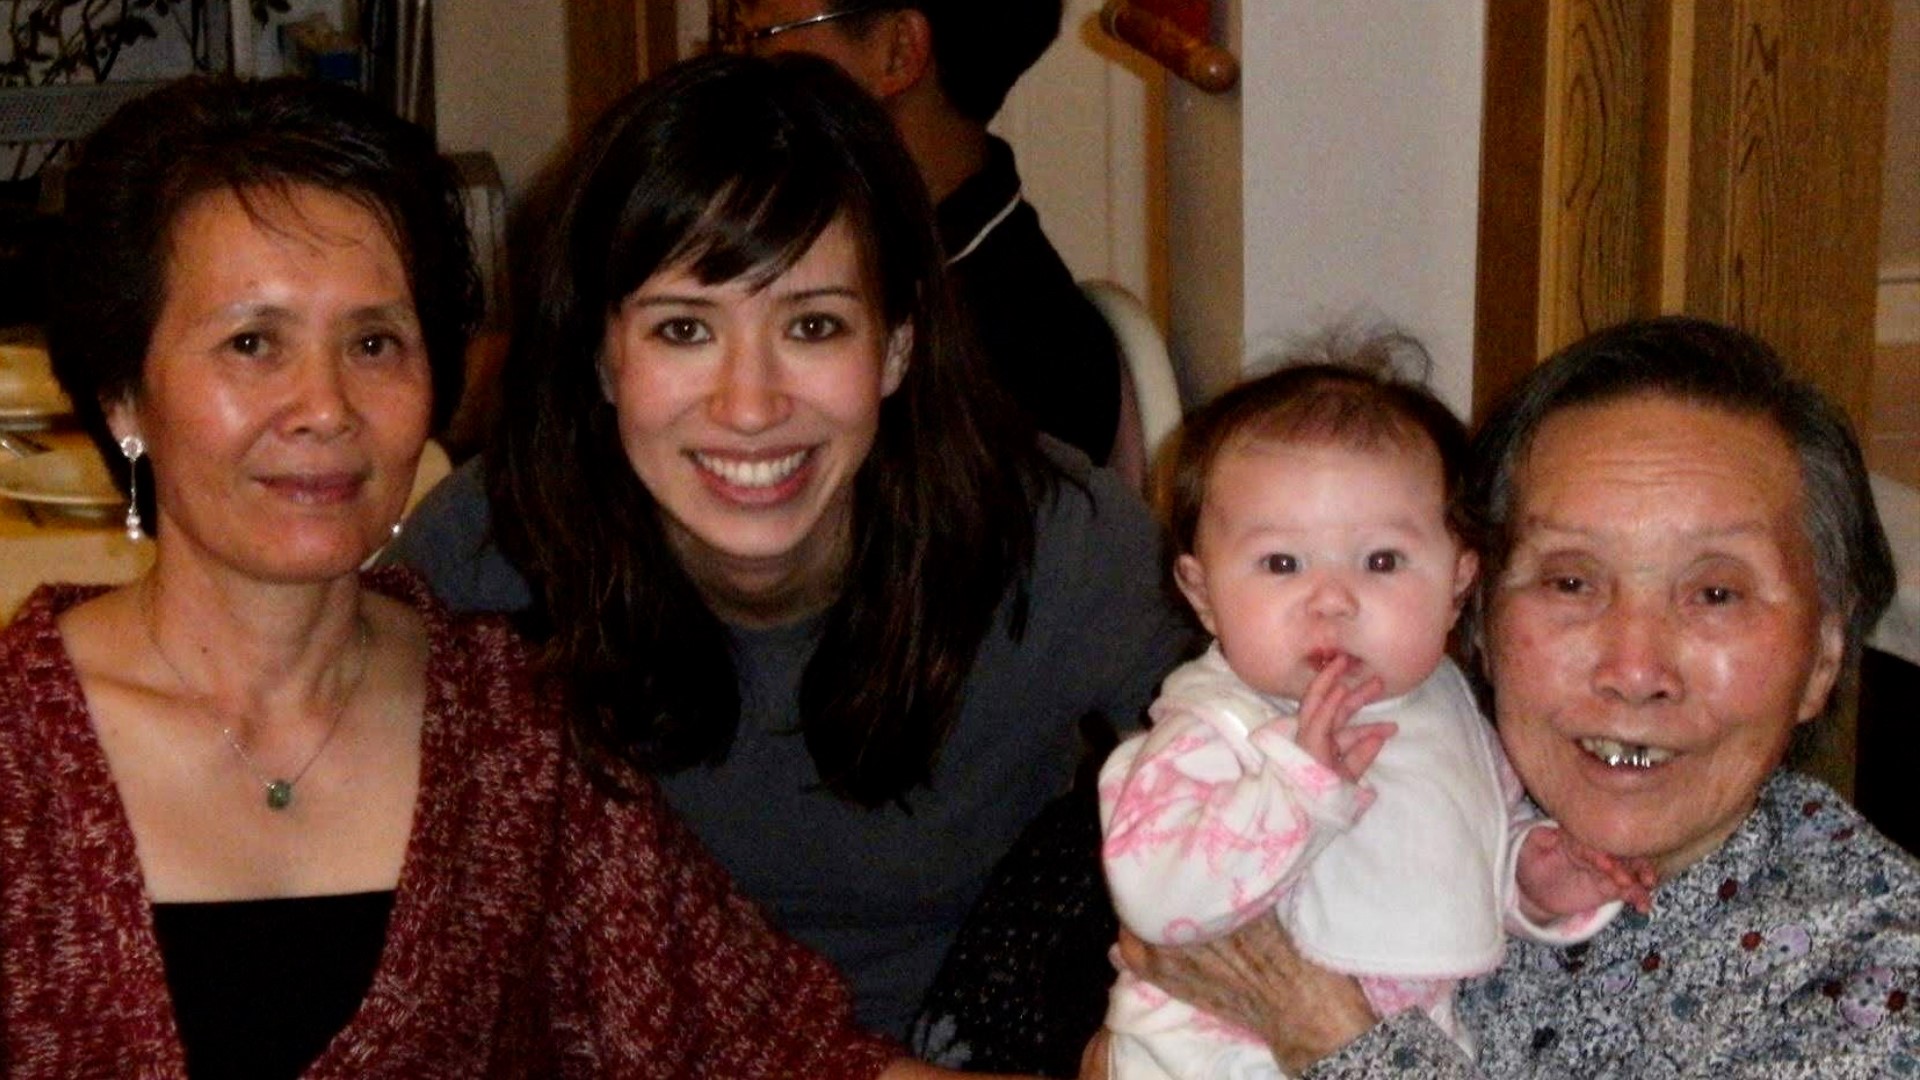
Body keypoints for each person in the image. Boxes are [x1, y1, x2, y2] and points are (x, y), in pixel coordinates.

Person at [4, 72, 999, 1080]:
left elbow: (789, 1059)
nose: (325, 406)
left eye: (375, 342)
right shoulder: (18, 763)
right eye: (253, 343)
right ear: (124, 395)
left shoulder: (512, 740)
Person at [386, 51, 1192, 1047]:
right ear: (602, 353)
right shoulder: (485, 554)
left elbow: (1293, 783)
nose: (752, 406)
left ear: (894, 346)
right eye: (685, 329)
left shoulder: (1050, 541)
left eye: (812, 326)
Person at [1104, 316, 1918, 1078]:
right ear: (1480, 617)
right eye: (1570, 581)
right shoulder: (1428, 775)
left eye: (1715, 595)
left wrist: (1322, 1032)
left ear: (1823, 657)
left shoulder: (1876, 986)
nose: (1634, 670)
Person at [1098, 340, 1645, 1078]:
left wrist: (1529, 876)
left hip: (1410, 1040)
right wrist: (1297, 790)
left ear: (1458, 584)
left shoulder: (1450, 713)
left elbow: (1462, 839)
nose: (1332, 599)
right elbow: (1158, 900)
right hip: (1212, 1055)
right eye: (1281, 564)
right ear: (1203, 594)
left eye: (1382, 561)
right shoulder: (1212, 727)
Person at [735, 0, 1124, 465]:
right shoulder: (868, 251)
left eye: (766, 34)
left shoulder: (1004, 352)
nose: (746, 69)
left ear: (899, 52)